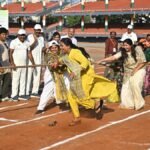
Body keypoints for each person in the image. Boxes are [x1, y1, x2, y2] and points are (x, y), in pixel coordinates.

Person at [60, 38, 119, 125]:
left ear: (68, 46)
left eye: (62, 46)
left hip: (86, 77)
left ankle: (95, 103)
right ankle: (77, 118)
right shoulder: (66, 55)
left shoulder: (75, 52)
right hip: (78, 78)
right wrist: (56, 63)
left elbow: (85, 63)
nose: (61, 47)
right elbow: (62, 60)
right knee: (71, 97)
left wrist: (75, 71)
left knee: (81, 97)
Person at [98, 39, 146, 110]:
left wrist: (135, 70)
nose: (125, 47)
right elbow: (113, 58)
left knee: (134, 84)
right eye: (124, 45)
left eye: (127, 45)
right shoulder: (122, 52)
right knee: (125, 88)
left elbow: (143, 62)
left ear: (131, 45)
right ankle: (129, 104)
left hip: (139, 69)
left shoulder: (137, 49)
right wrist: (101, 60)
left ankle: (139, 104)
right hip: (128, 72)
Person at [36, 40, 68, 114]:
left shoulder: (61, 54)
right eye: (52, 48)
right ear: (50, 48)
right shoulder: (48, 55)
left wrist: (62, 63)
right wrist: (55, 64)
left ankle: (60, 102)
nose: (54, 49)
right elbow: (51, 65)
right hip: (50, 75)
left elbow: (64, 61)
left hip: (59, 75)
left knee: (62, 88)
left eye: (55, 47)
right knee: (47, 91)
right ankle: (40, 107)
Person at [9, 29, 36, 101]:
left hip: (24, 64)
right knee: (15, 79)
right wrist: (12, 63)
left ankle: (22, 94)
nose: (22, 37)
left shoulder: (27, 42)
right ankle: (14, 95)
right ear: (18, 35)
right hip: (16, 64)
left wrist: (33, 63)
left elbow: (29, 53)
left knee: (23, 79)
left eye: (23, 35)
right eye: (21, 35)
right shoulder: (13, 42)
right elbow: (10, 53)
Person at [26, 24, 45, 98]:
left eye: (39, 30)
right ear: (34, 30)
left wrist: (46, 49)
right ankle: (27, 91)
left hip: (39, 59)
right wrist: (35, 41)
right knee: (29, 76)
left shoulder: (42, 38)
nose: (38, 31)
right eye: (37, 30)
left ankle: (34, 92)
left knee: (37, 77)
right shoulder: (29, 37)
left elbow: (42, 48)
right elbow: (29, 49)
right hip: (30, 60)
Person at [0, 27, 11, 101]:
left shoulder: (6, 43)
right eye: (3, 34)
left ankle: (4, 96)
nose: (5, 36)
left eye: (5, 34)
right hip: (1, 66)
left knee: (7, 81)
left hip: (7, 65)